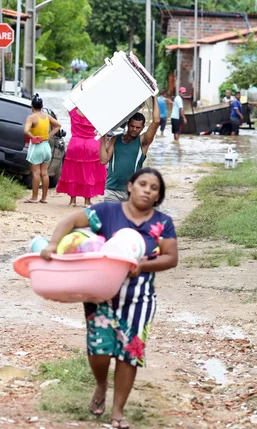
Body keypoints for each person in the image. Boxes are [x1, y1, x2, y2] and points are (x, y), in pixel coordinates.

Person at [40, 168, 178, 429]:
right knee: (100, 350)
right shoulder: (106, 212)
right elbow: (68, 221)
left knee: (129, 354)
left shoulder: (162, 222)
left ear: (158, 195)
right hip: (100, 293)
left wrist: (141, 264)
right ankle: (101, 385)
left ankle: (117, 412)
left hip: (139, 298)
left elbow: (171, 258)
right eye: (142, 184)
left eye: (154, 188)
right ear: (130, 186)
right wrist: (52, 244)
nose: (147, 190)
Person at [100, 97, 160, 202]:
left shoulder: (143, 142)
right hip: (112, 191)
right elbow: (103, 160)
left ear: (142, 128)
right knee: (112, 218)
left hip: (133, 192)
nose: (134, 129)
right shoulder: (115, 138)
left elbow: (156, 121)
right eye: (132, 126)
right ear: (128, 124)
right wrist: (101, 136)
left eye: (138, 128)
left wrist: (154, 97)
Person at [56, 103, 106, 208]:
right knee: (89, 172)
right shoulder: (96, 113)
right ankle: (87, 201)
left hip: (75, 143)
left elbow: (69, 99)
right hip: (91, 145)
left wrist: (80, 86)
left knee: (73, 172)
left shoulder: (73, 111)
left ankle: (72, 200)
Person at [23, 94, 61, 204]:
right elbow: (58, 125)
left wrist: (32, 136)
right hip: (46, 146)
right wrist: (49, 135)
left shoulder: (31, 117)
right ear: (42, 106)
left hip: (36, 146)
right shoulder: (47, 116)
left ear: (32, 106)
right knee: (44, 173)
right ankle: (44, 198)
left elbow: (25, 130)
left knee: (35, 173)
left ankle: (34, 197)